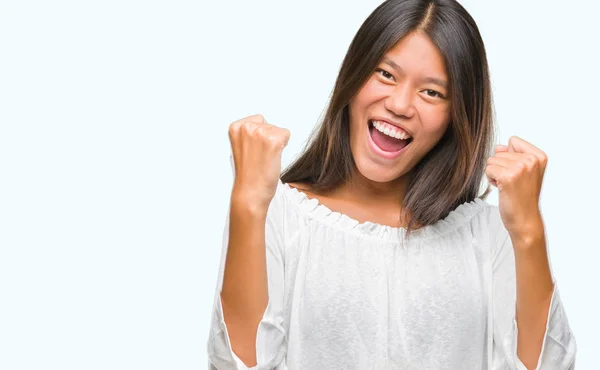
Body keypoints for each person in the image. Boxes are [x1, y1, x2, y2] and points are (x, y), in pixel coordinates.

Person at [207, 0, 577, 368]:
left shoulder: (490, 236)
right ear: (352, 76)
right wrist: (248, 203)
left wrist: (528, 230)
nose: (400, 104)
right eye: (386, 73)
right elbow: (236, 365)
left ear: (458, 113)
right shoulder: (279, 216)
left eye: (432, 92)